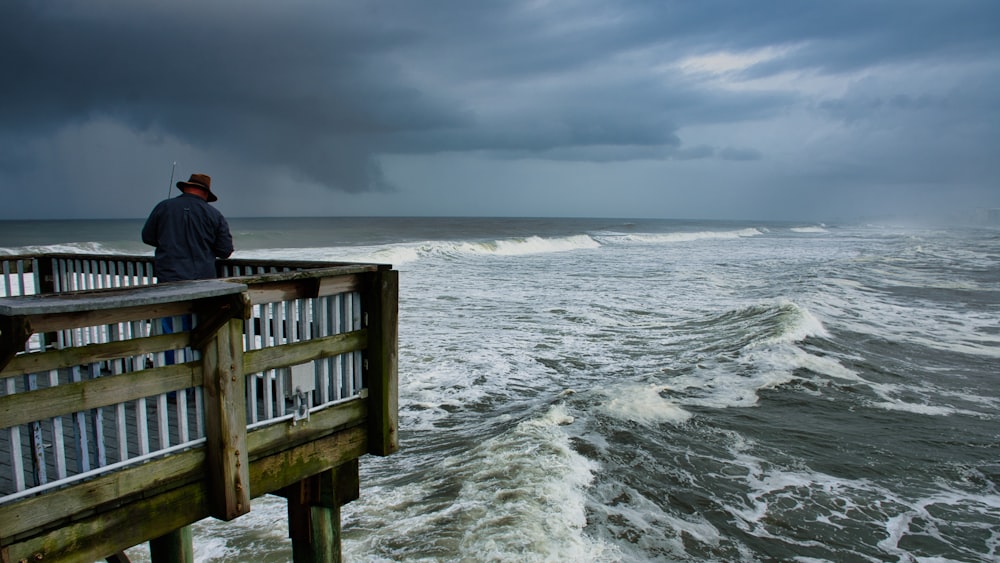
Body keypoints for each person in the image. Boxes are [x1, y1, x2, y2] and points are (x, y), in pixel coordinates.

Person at [142, 172, 234, 282]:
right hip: (203, 279)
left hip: (168, 277)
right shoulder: (215, 214)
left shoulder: (163, 206)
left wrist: (169, 242)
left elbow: (147, 237)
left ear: (185, 188)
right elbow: (225, 251)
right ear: (206, 193)